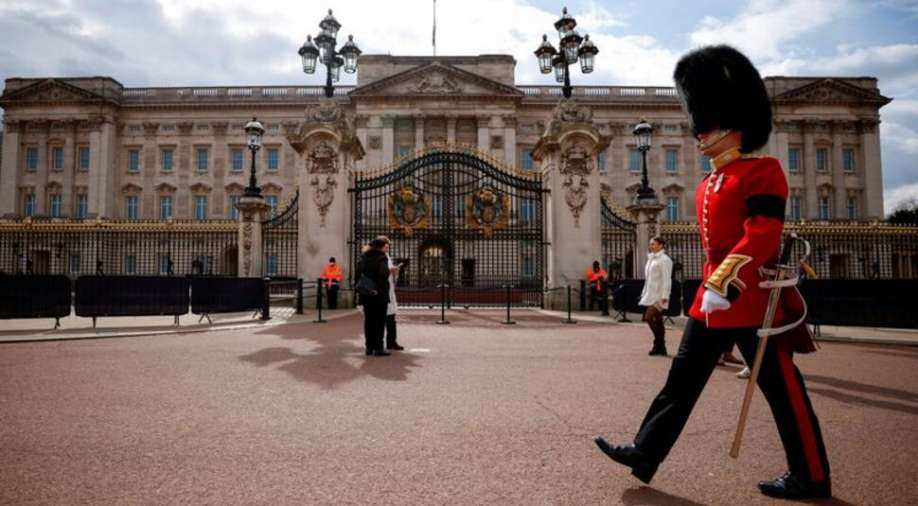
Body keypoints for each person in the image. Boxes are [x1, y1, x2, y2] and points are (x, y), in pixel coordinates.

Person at [594, 45, 831, 500]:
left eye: (709, 126)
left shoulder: (764, 171)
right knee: (679, 382)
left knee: (784, 392)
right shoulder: (707, 182)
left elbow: (762, 232)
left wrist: (727, 279)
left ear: (734, 127)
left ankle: (812, 475)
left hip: (751, 299)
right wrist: (711, 287)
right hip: (711, 299)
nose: (700, 135)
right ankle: (645, 453)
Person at [638, 237, 673, 356]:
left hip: (660, 295)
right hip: (651, 294)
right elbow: (648, 279)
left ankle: (658, 343)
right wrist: (644, 292)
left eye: (653, 244)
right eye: (650, 244)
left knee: (648, 317)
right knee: (658, 320)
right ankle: (661, 347)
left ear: (661, 245)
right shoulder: (651, 259)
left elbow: (667, 279)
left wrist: (665, 295)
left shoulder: (665, 260)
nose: (651, 246)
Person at [357, 237, 391, 357]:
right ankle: (379, 348)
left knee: (368, 321)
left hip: (366, 294)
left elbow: (357, 275)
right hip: (379, 295)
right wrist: (377, 288)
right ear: (381, 247)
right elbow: (384, 273)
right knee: (379, 322)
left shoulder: (363, 258)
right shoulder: (382, 257)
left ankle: (369, 348)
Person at [382, 242, 404, 351]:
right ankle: (379, 344)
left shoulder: (387, 257)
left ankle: (391, 341)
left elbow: (390, 274)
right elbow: (382, 272)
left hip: (389, 290)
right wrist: (392, 270)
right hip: (383, 291)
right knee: (383, 319)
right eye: (385, 247)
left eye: (388, 247)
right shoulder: (380, 258)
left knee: (391, 318)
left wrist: (395, 271)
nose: (387, 248)